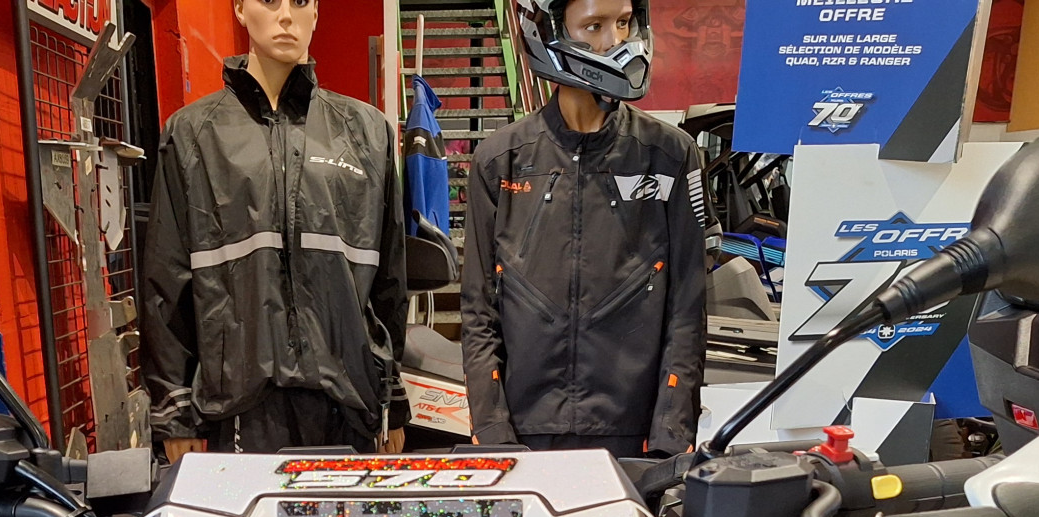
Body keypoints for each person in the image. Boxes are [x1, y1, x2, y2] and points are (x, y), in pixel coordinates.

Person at [141, 0, 409, 459]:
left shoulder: (367, 131)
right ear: (240, 9)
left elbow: (390, 280)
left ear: (316, 12)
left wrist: (392, 400)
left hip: (347, 401)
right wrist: (174, 410)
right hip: (237, 407)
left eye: (301, 1)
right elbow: (166, 278)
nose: (286, 15)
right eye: (269, 0)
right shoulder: (192, 134)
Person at [461, 0, 705, 459]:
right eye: (593, 26)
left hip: (633, 433)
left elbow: (687, 307)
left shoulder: (670, 154)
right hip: (525, 432)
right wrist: (492, 428)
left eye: (624, 22)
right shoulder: (499, 160)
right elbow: (479, 309)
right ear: (550, 32)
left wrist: (671, 433)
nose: (615, 41)